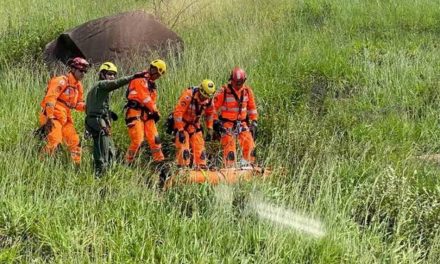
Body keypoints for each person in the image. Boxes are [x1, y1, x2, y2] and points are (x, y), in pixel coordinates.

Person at [85, 62, 147, 176]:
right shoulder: (101, 84)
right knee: (103, 151)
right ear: (102, 74)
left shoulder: (97, 89)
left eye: (114, 74)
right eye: (110, 74)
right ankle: (101, 176)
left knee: (107, 149)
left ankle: (105, 173)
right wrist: (133, 76)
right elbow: (116, 83)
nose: (112, 77)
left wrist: (108, 113)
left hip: (95, 121)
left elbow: (90, 107)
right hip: (98, 122)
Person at [38, 57, 89, 165]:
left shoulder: (78, 86)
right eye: (81, 71)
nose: (83, 74)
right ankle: (41, 164)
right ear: (73, 69)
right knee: (55, 141)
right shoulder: (60, 81)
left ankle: (76, 165)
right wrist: (50, 118)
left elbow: (77, 104)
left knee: (75, 141)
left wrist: (88, 107)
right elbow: (50, 99)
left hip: (65, 117)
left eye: (84, 71)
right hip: (53, 116)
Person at [213, 67, 258, 168]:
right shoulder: (223, 91)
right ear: (231, 80)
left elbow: (252, 108)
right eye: (236, 82)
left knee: (250, 145)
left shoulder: (247, 91)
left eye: (240, 82)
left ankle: (248, 165)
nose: (238, 85)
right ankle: (229, 168)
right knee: (229, 147)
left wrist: (254, 121)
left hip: (242, 123)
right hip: (226, 124)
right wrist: (215, 122)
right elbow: (212, 109)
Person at [124, 59, 167, 165]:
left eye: (159, 75)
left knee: (155, 140)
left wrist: (154, 113)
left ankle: (160, 163)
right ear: (153, 69)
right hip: (135, 112)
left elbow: (152, 101)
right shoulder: (140, 79)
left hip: (147, 114)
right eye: (157, 73)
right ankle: (128, 162)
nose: (157, 77)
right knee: (138, 140)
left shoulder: (152, 85)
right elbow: (145, 98)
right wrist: (156, 111)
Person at [173, 79, 216, 169]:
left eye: (206, 97)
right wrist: (180, 130)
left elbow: (210, 114)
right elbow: (178, 113)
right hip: (182, 124)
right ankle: (182, 167)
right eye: (203, 96)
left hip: (194, 125)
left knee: (200, 145)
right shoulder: (189, 95)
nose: (204, 99)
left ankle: (201, 166)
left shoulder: (209, 100)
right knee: (183, 144)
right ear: (200, 91)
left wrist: (210, 128)